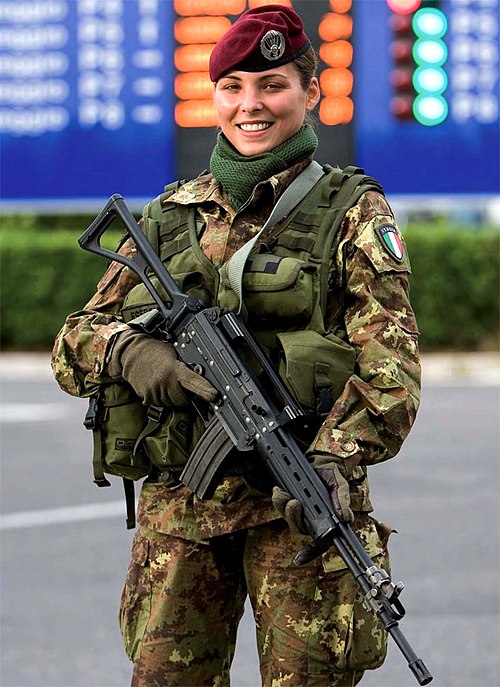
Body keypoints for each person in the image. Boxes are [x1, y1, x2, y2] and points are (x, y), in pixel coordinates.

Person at [52, 5, 421, 687]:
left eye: (272, 84)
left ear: (310, 93)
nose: (252, 104)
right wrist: (133, 354)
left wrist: (335, 458)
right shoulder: (166, 217)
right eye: (233, 87)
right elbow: (73, 340)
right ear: (213, 96)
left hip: (301, 513)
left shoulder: (352, 212)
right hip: (181, 519)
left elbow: (392, 370)